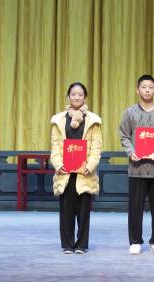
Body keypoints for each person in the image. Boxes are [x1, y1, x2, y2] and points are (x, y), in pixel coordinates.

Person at [119, 74, 154, 255]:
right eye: (143, 87)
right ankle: (135, 241)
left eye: (150, 87)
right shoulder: (129, 112)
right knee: (135, 207)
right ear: (137, 90)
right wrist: (131, 152)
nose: (147, 90)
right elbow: (124, 136)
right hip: (137, 167)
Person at [49, 82, 103, 254]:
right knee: (66, 211)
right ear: (68, 96)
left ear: (85, 97)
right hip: (65, 172)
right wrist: (59, 165)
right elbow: (55, 147)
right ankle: (67, 244)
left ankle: (81, 245)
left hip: (84, 173)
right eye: (73, 94)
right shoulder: (58, 120)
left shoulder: (93, 120)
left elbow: (96, 147)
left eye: (80, 94)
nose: (77, 97)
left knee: (84, 211)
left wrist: (90, 166)